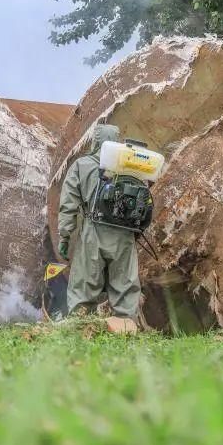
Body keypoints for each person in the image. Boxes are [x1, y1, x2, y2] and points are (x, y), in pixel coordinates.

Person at [57, 123, 140, 319]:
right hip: (124, 234)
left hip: (94, 232)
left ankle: (81, 328)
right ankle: (126, 329)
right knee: (125, 287)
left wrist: (64, 237)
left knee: (84, 286)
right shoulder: (130, 165)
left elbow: (68, 205)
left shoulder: (81, 165)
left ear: (96, 141)